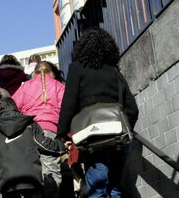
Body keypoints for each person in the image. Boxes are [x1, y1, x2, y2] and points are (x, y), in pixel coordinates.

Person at [57, 28, 138, 198]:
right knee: (114, 188)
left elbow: (69, 103)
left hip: (94, 139)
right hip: (119, 137)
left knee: (97, 190)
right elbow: (132, 108)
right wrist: (123, 129)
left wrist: (62, 134)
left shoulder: (77, 68)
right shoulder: (115, 72)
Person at [0, 98, 65, 198]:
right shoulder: (29, 124)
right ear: (16, 108)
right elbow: (44, 144)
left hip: (7, 181)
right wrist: (62, 146)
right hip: (32, 178)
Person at [11, 61, 66, 197]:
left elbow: (13, 106)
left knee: (32, 169)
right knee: (51, 169)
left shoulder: (25, 87)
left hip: (29, 131)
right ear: (51, 72)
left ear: (34, 72)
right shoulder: (59, 86)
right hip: (51, 130)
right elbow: (66, 111)